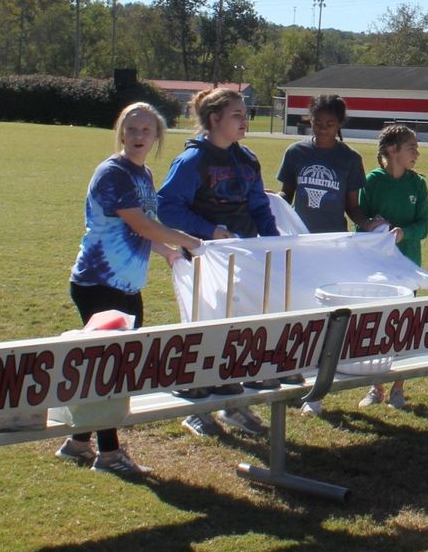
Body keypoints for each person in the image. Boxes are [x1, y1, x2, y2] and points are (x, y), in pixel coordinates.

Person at [59, 102, 204, 474]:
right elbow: (141, 226)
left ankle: (78, 442)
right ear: (121, 133)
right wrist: (189, 240)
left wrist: (169, 253)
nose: (138, 136)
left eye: (146, 131)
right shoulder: (113, 174)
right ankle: (108, 455)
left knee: (108, 367)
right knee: (111, 368)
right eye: (132, 129)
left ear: (157, 136)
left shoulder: (144, 175)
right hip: (98, 283)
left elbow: (145, 229)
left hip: (124, 285)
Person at [158, 86, 279, 436]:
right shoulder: (192, 160)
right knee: (202, 331)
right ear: (214, 119)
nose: (245, 121)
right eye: (237, 115)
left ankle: (231, 401)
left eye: (245, 114)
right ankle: (196, 407)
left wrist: (275, 242)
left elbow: (259, 206)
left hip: (241, 260)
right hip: (200, 260)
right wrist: (209, 232)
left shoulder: (247, 159)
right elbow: (167, 206)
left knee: (238, 332)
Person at [358, 124, 428, 412]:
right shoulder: (372, 182)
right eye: (412, 147)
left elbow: (424, 225)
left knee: (403, 326)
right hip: (376, 268)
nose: (417, 152)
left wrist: (404, 233)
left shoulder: (418, 184)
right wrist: (372, 227)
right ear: (393, 151)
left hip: (408, 265)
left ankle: (398, 388)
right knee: (376, 326)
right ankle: (375, 386)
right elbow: (359, 221)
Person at [277, 96, 368, 234]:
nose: (323, 129)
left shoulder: (351, 158)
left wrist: (369, 224)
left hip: (333, 238)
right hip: (299, 235)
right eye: (317, 123)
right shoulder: (295, 152)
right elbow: (287, 195)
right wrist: (273, 199)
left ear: (339, 124)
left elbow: (352, 206)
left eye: (330, 124)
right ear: (311, 121)